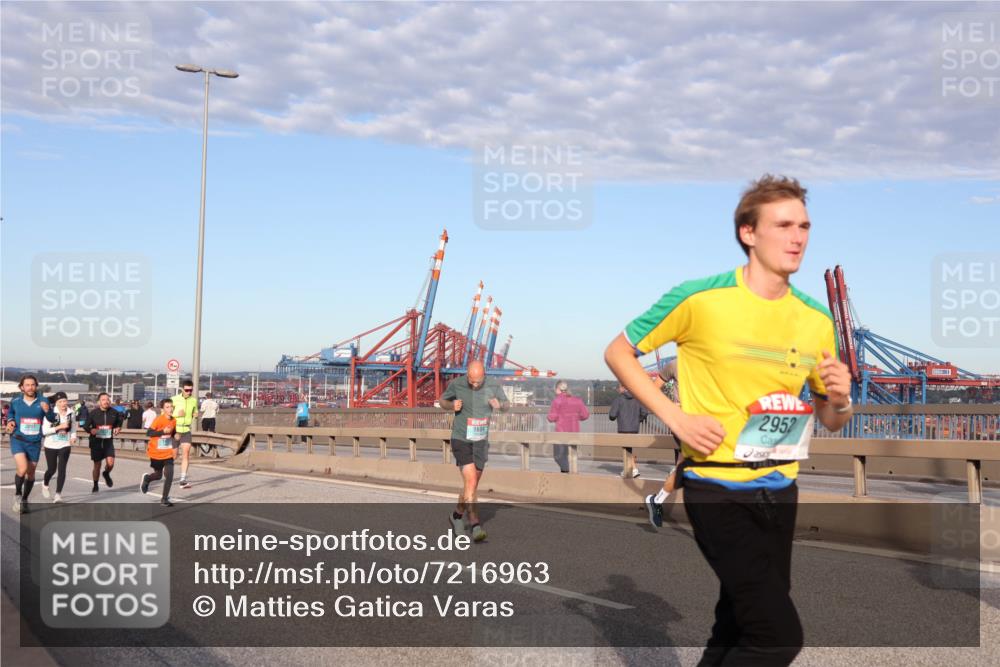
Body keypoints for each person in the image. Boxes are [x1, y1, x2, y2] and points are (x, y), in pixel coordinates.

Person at [605, 175, 853, 666]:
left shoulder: (815, 318)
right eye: (783, 225)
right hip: (717, 486)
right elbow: (618, 352)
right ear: (749, 233)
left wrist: (842, 399)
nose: (797, 236)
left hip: (780, 489)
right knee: (777, 636)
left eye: (804, 225)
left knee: (737, 622)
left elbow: (830, 419)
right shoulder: (700, 299)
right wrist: (675, 417)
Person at [438, 360, 510, 542]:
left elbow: (507, 406)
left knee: (472, 484)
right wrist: (451, 406)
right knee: (470, 479)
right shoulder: (457, 384)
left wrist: (499, 406)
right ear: (467, 375)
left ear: (484, 375)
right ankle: (475, 524)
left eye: (478, 381)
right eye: (472, 381)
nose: (475, 384)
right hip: (461, 438)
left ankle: (455, 516)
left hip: (481, 441)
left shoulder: (493, 385)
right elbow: (442, 401)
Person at [4, 375, 51, 513]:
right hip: (18, 438)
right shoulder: (16, 400)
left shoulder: (43, 400)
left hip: (35, 442)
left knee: (31, 473)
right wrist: (10, 421)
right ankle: (18, 494)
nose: (30, 387)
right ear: (22, 387)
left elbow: (52, 418)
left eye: (33, 385)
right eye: (27, 385)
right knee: (23, 468)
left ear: (36, 386)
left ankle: (25, 499)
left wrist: (47, 411)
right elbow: (11, 413)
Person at [547, 380, 590, 473]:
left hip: (561, 433)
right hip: (574, 432)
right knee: (571, 456)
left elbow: (552, 417)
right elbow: (585, 415)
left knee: (558, 457)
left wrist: (549, 416)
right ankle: (571, 474)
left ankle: (566, 473)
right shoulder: (577, 400)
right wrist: (575, 417)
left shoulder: (557, 400)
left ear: (558, 389)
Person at [141, 399, 177, 507]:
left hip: (168, 453)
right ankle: (147, 478)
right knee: (158, 475)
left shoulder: (174, 420)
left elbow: (173, 433)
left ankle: (164, 499)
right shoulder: (159, 420)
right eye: (167, 407)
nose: (170, 409)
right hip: (156, 452)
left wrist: (176, 435)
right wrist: (162, 431)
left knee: (169, 475)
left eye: (171, 406)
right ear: (162, 409)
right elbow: (149, 433)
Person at [42, 391, 77, 503]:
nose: (63, 403)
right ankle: (45, 483)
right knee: (52, 469)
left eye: (65, 401)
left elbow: (73, 427)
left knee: (62, 470)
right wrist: (58, 427)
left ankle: (58, 495)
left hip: (65, 445)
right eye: (60, 401)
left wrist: (73, 436)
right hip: (51, 445)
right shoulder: (51, 414)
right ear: (56, 403)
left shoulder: (71, 413)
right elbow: (44, 431)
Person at [608, 383, 649, 478]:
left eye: (618, 388)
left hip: (623, 428)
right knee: (629, 448)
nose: (618, 390)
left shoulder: (618, 399)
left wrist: (616, 416)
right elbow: (645, 412)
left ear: (623, 388)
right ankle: (630, 468)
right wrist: (638, 420)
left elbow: (612, 415)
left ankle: (632, 469)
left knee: (626, 448)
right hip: (634, 428)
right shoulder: (638, 399)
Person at [86, 392, 123, 492]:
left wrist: (118, 427)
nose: (106, 401)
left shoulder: (114, 412)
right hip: (96, 442)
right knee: (97, 465)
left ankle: (106, 473)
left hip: (108, 442)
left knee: (110, 464)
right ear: (99, 402)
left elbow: (120, 421)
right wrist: (91, 430)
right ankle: (95, 485)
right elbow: (85, 425)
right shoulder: (93, 413)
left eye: (107, 399)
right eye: (103, 400)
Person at [171, 380, 198, 489]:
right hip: (175, 430)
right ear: (182, 389)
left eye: (191, 390)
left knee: (186, 453)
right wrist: (177, 414)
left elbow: (195, 411)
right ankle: (166, 472)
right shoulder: (174, 399)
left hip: (186, 430)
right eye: (187, 390)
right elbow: (165, 413)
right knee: (174, 455)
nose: (189, 392)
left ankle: (183, 479)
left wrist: (195, 414)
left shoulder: (194, 400)